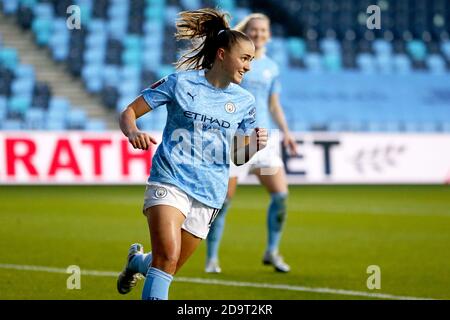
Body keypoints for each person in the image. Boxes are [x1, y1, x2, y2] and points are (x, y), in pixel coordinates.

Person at [116, 8, 268, 300]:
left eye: (251, 59)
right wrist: (133, 132)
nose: (249, 66)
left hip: (210, 191)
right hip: (170, 179)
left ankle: (136, 262)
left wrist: (253, 145)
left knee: (164, 265)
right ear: (222, 55)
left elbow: (237, 157)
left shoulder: (246, 102)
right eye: (245, 58)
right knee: (166, 258)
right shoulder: (180, 83)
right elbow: (130, 112)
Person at [204, 13, 299, 274]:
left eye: (263, 30)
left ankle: (272, 251)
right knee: (224, 202)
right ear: (246, 32)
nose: (258, 34)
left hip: (264, 141)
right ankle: (212, 258)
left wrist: (287, 133)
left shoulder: (271, 67)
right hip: (237, 141)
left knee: (280, 195)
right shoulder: (235, 61)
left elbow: (273, 104)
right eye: (253, 30)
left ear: (268, 34)